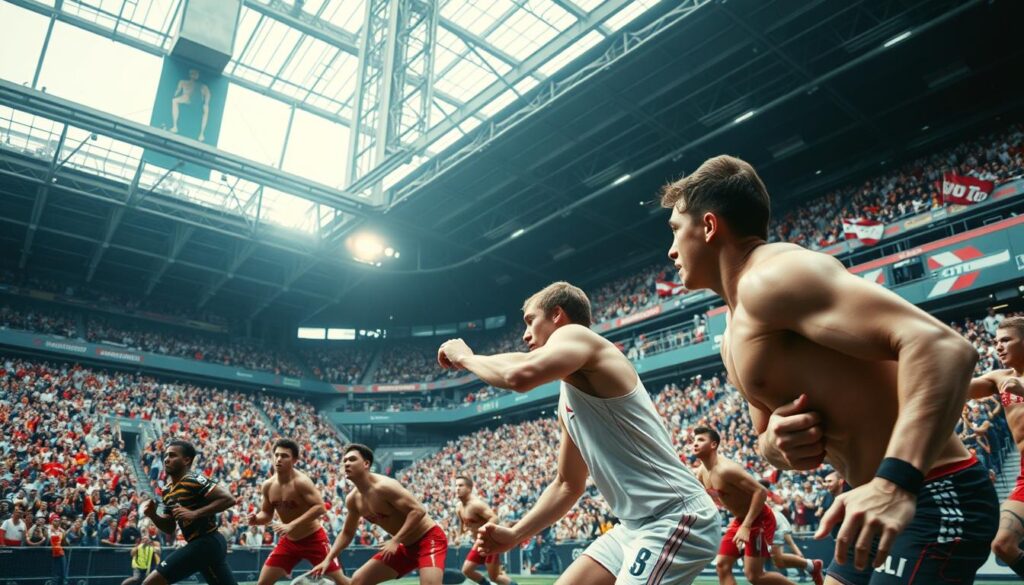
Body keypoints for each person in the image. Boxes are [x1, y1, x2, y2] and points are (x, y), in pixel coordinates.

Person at [661, 154, 998, 583]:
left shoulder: (776, 275)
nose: (671, 250)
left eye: (675, 230)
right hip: (870, 499)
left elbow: (945, 348)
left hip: (928, 489)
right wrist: (779, 445)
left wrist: (895, 483)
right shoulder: (730, 334)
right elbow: (766, 438)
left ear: (709, 227)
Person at [439, 282, 720, 585]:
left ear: (558, 315)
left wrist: (466, 357)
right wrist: (515, 534)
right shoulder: (570, 396)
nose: (525, 334)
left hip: (675, 517)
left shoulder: (577, 335)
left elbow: (517, 374)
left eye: (531, 321)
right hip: (633, 526)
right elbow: (567, 485)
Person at [311, 444, 447, 585]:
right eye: (344, 461)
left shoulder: (385, 486)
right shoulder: (353, 499)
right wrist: (328, 560)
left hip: (429, 538)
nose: (346, 464)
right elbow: (347, 533)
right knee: (357, 581)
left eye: (352, 459)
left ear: (366, 464)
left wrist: (395, 540)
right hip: (405, 546)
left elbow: (418, 511)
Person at [689, 427, 810, 585]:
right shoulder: (700, 473)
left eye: (701, 440)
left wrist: (746, 526)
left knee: (755, 576)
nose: (695, 444)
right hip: (740, 519)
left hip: (759, 518)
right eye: (694, 441)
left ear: (713, 445)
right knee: (722, 565)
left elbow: (761, 491)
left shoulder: (726, 470)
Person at [967, 315, 1024, 576]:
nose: (998, 346)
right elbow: (963, 388)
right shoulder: (1000, 378)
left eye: (1006, 340)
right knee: (1002, 545)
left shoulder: (1012, 383)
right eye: (995, 341)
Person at [249, 439, 349, 585]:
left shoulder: (301, 482)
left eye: (284, 456)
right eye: (276, 455)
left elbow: (320, 507)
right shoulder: (268, 485)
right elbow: (266, 514)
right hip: (289, 542)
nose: (278, 459)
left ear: (294, 460)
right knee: (262, 583)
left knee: (342, 582)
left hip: (314, 540)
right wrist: (256, 519)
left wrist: (291, 525)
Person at [141, 440, 238, 585]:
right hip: (204, 545)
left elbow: (229, 499)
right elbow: (170, 527)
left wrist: (195, 513)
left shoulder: (194, 479)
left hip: (207, 541)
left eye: (173, 455)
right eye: (166, 455)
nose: (166, 459)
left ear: (186, 460)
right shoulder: (167, 490)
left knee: (150, 583)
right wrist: (153, 515)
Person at [454, 475, 517, 585]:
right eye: (456, 486)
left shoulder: (476, 505)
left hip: (490, 541)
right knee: (467, 570)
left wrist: (484, 528)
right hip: (479, 542)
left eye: (461, 485)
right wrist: (459, 536)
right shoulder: (458, 507)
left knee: (496, 577)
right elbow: (462, 523)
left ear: (469, 489)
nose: (457, 488)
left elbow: (495, 518)